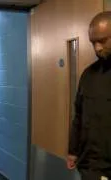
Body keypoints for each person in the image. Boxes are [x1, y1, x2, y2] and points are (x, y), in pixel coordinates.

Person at [67, 11, 111, 180]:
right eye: (93, 42)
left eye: (102, 41)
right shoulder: (88, 75)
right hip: (91, 167)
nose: (97, 48)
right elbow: (78, 115)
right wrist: (73, 150)